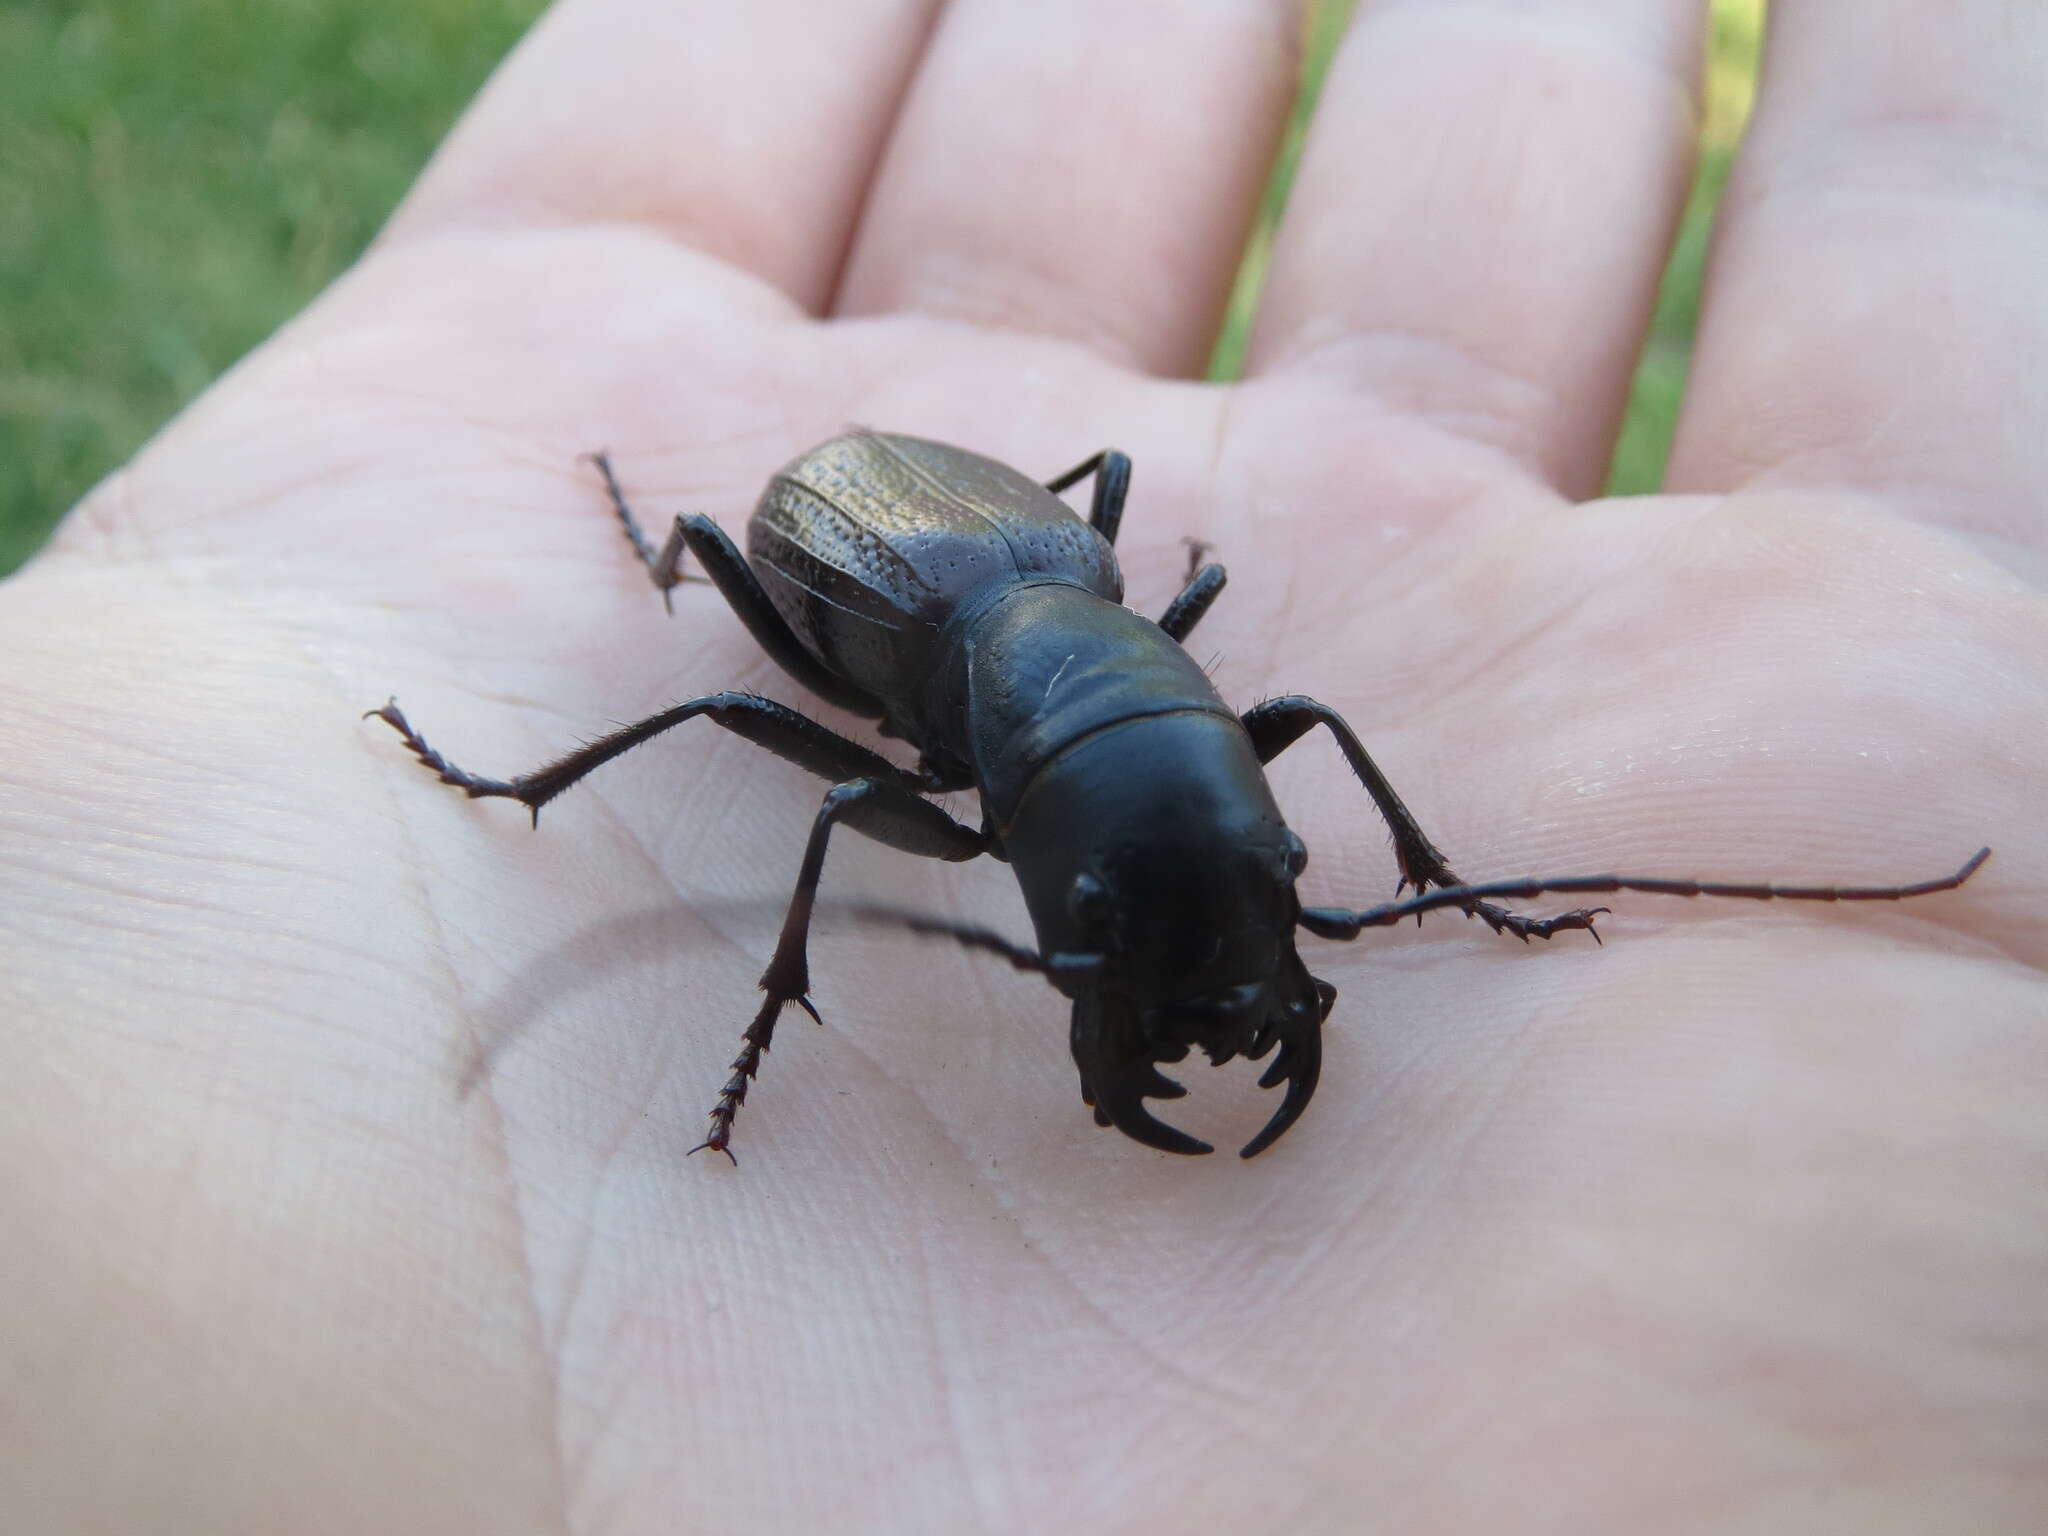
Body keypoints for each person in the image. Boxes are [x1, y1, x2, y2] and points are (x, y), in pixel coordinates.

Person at [4, 2, 2041, 1528]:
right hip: (867, 554)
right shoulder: (922, 701)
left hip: (1051, 598)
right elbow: (830, 690)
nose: (1193, 951)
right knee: (761, 723)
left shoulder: (1169, 651)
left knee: (1258, 700)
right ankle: (527, 792)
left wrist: (1402, 872)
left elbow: (1225, 738)